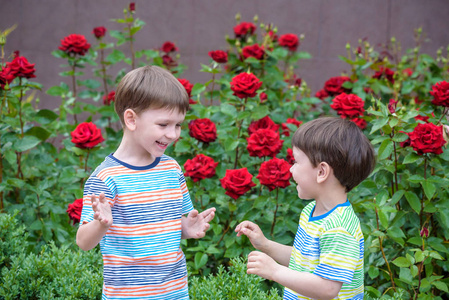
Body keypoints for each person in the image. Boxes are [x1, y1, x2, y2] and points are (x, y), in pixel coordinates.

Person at [76, 65, 216, 300]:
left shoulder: (171, 169)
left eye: (178, 125)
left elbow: (164, 227)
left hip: (175, 292)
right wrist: (101, 225)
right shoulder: (106, 179)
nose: (173, 134)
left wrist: (186, 229)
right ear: (131, 119)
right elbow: (83, 242)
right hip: (129, 295)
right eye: (163, 125)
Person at [235, 117, 375, 300]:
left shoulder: (339, 228)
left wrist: (275, 271)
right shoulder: (312, 211)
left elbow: (327, 289)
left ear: (321, 172)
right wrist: (266, 245)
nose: (291, 169)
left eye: (296, 162)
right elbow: (303, 261)